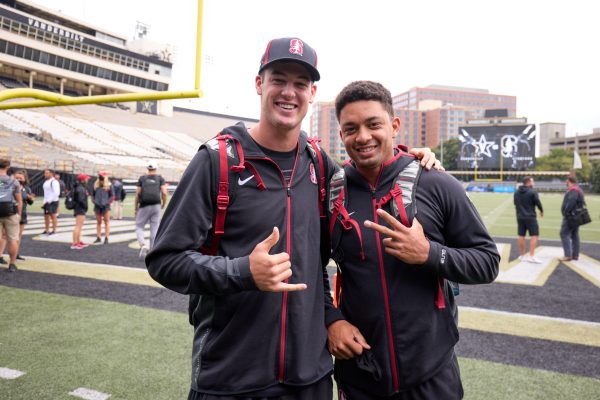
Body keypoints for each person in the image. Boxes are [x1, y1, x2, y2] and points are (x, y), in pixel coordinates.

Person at [146, 38, 438, 400]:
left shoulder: (319, 163)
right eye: (278, 79)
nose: (289, 92)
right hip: (231, 378)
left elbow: (318, 258)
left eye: (300, 84)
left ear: (312, 92)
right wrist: (242, 272)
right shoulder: (217, 161)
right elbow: (164, 260)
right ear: (259, 84)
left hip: (310, 378)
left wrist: (411, 157)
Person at [326, 81, 500, 400]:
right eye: (351, 128)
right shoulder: (331, 193)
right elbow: (307, 269)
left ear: (394, 126)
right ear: (341, 135)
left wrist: (429, 254)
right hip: (360, 376)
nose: (362, 136)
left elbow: (487, 262)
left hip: (431, 376)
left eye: (373, 124)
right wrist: (331, 320)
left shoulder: (437, 183)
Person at [135, 162, 167, 258]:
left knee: (139, 226)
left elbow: (137, 194)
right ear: (156, 168)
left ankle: (143, 245)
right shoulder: (160, 178)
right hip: (156, 204)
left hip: (144, 205)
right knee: (155, 228)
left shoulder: (142, 178)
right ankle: (152, 251)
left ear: (147, 169)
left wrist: (135, 207)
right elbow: (164, 193)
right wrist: (163, 204)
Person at [513, 176, 544, 263]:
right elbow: (538, 203)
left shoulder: (516, 192)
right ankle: (531, 255)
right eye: (532, 181)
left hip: (520, 217)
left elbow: (515, 203)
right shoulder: (532, 192)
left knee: (521, 235)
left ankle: (522, 255)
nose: (533, 183)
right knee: (534, 235)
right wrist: (541, 211)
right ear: (529, 182)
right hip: (530, 217)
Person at [0, 158, 23, 272]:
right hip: (10, 213)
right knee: (13, 239)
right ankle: (12, 264)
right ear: (7, 167)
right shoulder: (14, 181)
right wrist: (19, 214)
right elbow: (19, 200)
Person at [559, 176, 584, 261]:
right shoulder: (578, 189)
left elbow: (571, 202)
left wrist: (565, 212)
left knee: (564, 233)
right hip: (577, 215)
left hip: (571, 216)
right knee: (574, 235)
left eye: (566, 180)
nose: (565, 182)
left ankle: (568, 255)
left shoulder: (573, 190)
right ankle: (575, 255)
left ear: (569, 181)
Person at [14, 170, 34, 259]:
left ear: (25, 179)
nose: (18, 180)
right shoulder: (10, 186)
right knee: (4, 235)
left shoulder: (27, 189)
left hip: (22, 213)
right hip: (11, 213)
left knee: (19, 236)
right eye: (16, 178)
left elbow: (30, 202)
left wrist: (31, 198)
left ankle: (16, 254)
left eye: (20, 178)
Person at [92, 171, 114, 244]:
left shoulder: (109, 185)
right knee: (98, 222)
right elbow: (92, 195)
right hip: (97, 206)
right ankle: (98, 237)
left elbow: (112, 196)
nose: (100, 178)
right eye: (99, 176)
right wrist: (94, 201)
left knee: (106, 222)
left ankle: (106, 238)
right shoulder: (95, 185)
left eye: (101, 176)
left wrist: (107, 202)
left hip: (106, 206)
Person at [71, 173, 91, 250]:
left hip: (79, 208)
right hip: (80, 209)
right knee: (78, 226)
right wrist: (85, 206)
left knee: (79, 226)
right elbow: (80, 199)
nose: (87, 180)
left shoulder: (80, 187)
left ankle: (78, 241)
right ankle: (75, 243)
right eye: (86, 179)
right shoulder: (80, 188)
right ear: (82, 180)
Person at [42, 168, 60, 235]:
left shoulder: (54, 182)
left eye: (47, 173)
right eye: (45, 173)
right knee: (46, 216)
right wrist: (44, 201)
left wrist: (49, 201)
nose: (45, 174)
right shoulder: (46, 182)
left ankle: (54, 231)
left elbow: (56, 193)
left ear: (51, 173)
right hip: (46, 201)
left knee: (53, 216)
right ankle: (46, 230)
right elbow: (45, 193)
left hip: (53, 201)